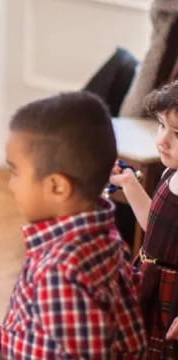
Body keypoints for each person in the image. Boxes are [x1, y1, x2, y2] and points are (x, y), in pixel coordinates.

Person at [2, 91, 147, 358]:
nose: (10, 184)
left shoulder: (59, 273)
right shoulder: (106, 236)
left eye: (15, 172)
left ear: (57, 186)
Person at [111, 80, 178, 359]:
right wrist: (130, 184)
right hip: (150, 277)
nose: (162, 139)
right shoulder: (171, 172)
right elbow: (155, 230)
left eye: (177, 133)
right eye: (161, 125)